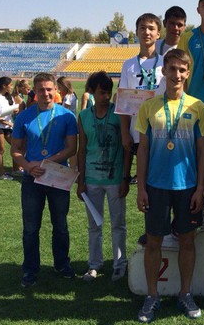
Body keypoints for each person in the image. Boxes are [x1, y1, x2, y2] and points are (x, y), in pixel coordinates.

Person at [135, 49, 204, 322]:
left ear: (187, 73)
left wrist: (201, 188)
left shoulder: (198, 107)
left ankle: (185, 293)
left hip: (187, 186)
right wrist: (141, 187)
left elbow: (203, 151)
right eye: (172, 69)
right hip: (156, 185)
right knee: (153, 241)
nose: (176, 74)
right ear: (163, 72)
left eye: (181, 70)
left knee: (187, 241)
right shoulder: (148, 107)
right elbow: (143, 150)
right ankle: (152, 295)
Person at [11, 72, 78, 288]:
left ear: (56, 90)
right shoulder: (24, 117)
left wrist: (47, 162)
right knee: (31, 227)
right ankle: (30, 270)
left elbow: (72, 148)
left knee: (61, 225)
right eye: (41, 90)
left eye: (49, 89)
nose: (46, 93)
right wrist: (28, 165)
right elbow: (15, 150)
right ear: (35, 91)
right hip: (32, 178)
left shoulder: (67, 116)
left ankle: (62, 264)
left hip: (57, 176)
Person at [77, 71, 131, 282]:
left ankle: (119, 264)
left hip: (115, 179)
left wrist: (125, 177)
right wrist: (81, 180)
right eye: (101, 92)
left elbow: (127, 149)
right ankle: (94, 265)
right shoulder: (83, 116)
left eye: (108, 92)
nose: (106, 97)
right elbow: (82, 150)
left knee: (118, 224)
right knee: (94, 226)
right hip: (92, 180)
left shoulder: (119, 114)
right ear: (91, 91)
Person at [119, 13, 166, 186]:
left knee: (161, 181)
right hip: (137, 132)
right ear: (137, 32)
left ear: (158, 33)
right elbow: (123, 103)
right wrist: (125, 133)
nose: (147, 32)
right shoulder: (128, 65)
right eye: (143, 28)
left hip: (163, 131)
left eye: (151, 28)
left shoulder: (165, 62)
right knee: (144, 183)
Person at [0, 76, 18, 180]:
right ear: (4, 86)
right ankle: (1, 174)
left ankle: (16, 169)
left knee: (16, 146)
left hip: (7, 125)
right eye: (10, 85)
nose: (12, 87)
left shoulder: (9, 97)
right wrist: (6, 122)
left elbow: (11, 110)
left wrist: (14, 111)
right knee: (1, 150)